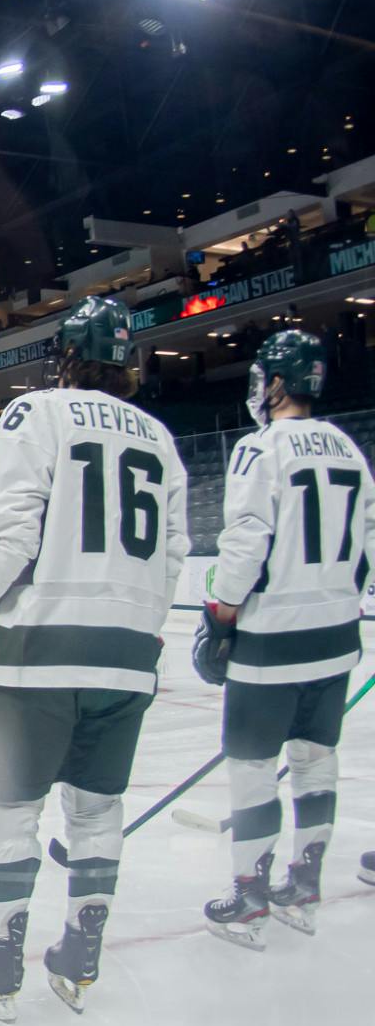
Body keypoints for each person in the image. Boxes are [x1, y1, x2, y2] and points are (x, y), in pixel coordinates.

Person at [0, 296, 188, 1021]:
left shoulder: (38, 412)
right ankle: (81, 951)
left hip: (43, 647)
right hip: (129, 651)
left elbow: (12, 534)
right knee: (97, 805)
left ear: (66, 355)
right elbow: (173, 556)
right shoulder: (162, 438)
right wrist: (135, 626)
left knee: (11, 804)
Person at [190, 329, 372, 947]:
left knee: (252, 767)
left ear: (275, 383)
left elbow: (245, 542)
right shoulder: (348, 448)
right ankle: (306, 882)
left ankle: (249, 893)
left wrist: (220, 615)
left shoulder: (259, 447)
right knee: (316, 759)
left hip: (272, 638)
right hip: (336, 635)